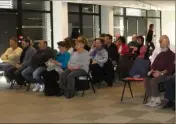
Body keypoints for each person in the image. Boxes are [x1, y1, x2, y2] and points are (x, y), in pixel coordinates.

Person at [144, 35, 175, 107]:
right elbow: (154, 64)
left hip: (166, 74)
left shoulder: (172, 55)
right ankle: (152, 98)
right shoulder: (160, 54)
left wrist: (160, 73)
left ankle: (157, 100)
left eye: (164, 45)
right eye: (161, 44)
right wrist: (152, 70)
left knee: (153, 80)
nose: (162, 46)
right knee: (146, 79)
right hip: (157, 72)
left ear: (168, 44)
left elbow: (170, 68)